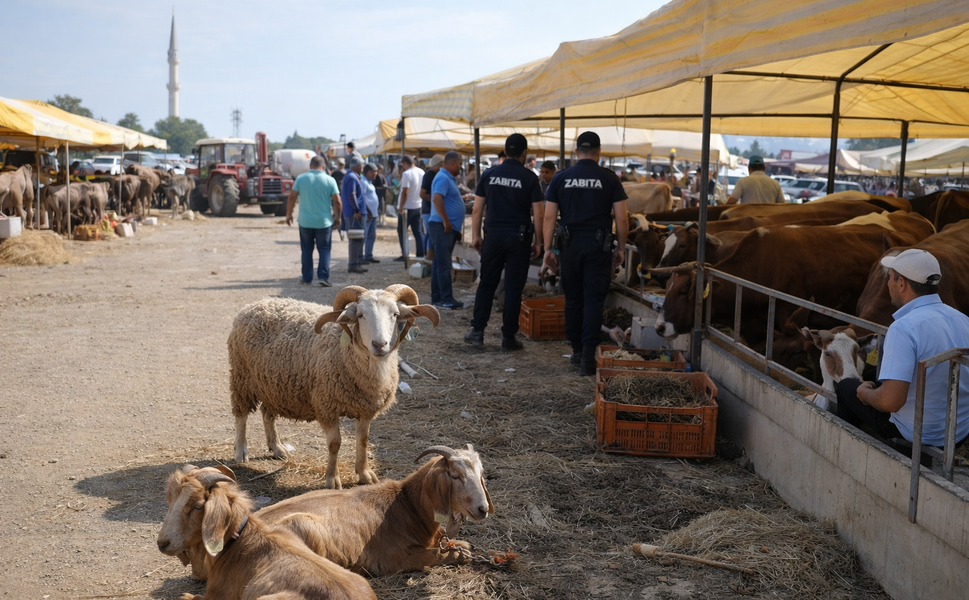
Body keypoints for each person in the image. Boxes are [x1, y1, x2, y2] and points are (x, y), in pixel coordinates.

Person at [837, 249, 969, 449]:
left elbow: (891, 402)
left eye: (889, 278)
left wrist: (865, 395)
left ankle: (846, 450)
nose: (888, 284)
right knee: (874, 375)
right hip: (959, 431)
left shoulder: (903, 328)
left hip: (919, 433)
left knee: (847, 387)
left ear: (901, 283)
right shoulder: (962, 319)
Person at [542, 131, 628, 376]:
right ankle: (588, 357)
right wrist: (621, 247)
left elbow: (549, 216)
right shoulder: (610, 179)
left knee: (574, 298)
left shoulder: (561, 178)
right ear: (599, 152)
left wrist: (548, 248)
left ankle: (577, 349)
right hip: (598, 248)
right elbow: (621, 218)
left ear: (576, 152)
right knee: (594, 300)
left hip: (569, 247)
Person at [464, 134, 544, 351]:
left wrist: (475, 236)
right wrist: (539, 241)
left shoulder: (489, 174)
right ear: (525, 153)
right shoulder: (529, 178)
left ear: (505, 151)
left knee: (487, 284)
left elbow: (478, 209)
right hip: (519, 238)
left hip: (494, 236)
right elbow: (538, 214)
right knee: (513, 288)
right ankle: (508, 338)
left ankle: (478, 332)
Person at [285, 155, 342, 287]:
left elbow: (292, 198)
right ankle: (323, 276)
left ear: (310, 166)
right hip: (324, 222)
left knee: (306, 250)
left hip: (305, 221)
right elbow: (337, 202)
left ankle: (306, 277)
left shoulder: (301, 178)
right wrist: (337, 217)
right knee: (324, 250)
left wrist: (289, 214)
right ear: (323, 167)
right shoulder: (330, 180)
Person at [428, 151, 466, 310]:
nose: (461, 167)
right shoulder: (443, 178)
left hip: (443, 226)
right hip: (441, 226)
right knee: (444, 265)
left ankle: (437, 298)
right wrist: (446, 220)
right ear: (453, 163)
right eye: (459, 163)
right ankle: (446, 298)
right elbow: (436, 199)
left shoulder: (446, 178)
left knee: (439, 263)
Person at [395, 156, 425, 262]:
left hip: (407, 207)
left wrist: (401, 206)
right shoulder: (421, 171)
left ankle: (405, 254)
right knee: (417, 231)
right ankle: (420, 254)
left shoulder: (407, 174)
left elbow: (405, 192)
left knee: (402, 231)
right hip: (418, 205)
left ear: (404, 163)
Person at [341, 156, 368, 274]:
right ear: (357, 166)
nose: (362, 168)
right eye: (361, 166)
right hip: (353, 214)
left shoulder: (351, 176)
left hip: (352, 212)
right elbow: (351, 194)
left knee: (357, 239)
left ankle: (356, 262)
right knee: (355, 240)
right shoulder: (352, 177)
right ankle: (353, 264)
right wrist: (357, 210)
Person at [420, 155, 444, 255]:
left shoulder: (437, 175)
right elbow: (422, 194)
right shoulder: (429, 175)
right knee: (430, 234)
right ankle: (426, 256)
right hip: (428, 210)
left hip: (432, 210)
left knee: (431, 234)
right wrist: (435, 202)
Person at [361, 163, 380, 264]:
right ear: (368, 172)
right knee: (364, 235)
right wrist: (368, 210)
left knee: (371, 235)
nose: (376, 174)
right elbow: (362, 198)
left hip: (374, 213)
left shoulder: (370, 182)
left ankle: (368, 255)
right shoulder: (363, 182)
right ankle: (360, 257)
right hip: (368, 214)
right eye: (374, 172)